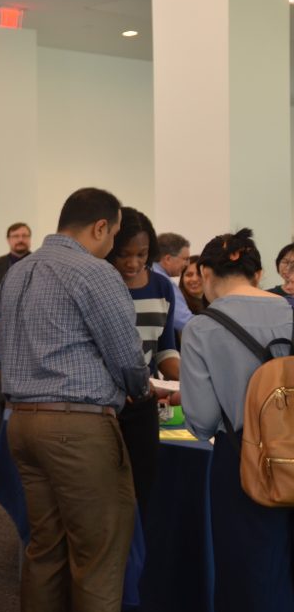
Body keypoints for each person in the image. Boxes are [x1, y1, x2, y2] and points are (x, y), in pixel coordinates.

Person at [0, 187, 147, 612]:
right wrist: (139, 388)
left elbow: (1, 352)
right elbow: (126, 355)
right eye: (114, 235)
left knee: (45, 550)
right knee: (98, 557)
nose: (113, 245)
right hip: (78, 428)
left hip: (21, 422)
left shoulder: (17, 274)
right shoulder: (93, 272)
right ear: (101, 227)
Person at [180, 228, 294, 612]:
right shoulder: (289, 310)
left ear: (206, 273)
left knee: (247, 572)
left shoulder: (201, 328)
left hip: (243, 459)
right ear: (257, 273)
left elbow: (204, 419)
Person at [106, 208, 179, 516]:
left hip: (143, 406)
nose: (133, 263)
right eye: (124, 255)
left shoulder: (162, 288)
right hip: (105, 403)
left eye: (142, 254)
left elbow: (165, 348)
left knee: (141, 495)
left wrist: (183, 381)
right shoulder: (101, 285)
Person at [0, 222, 31, 314]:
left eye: (24, 236)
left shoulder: (40, 263)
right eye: (16, 236)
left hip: (33, 322)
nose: (20, 239)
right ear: (8, 240)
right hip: (2, 322)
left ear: (30, 238)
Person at [153, 232, 193, 334]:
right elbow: (186, 322)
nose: (188, 264)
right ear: (168, 259)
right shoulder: (164, 282)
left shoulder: (148, 274)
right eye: (185, 259)